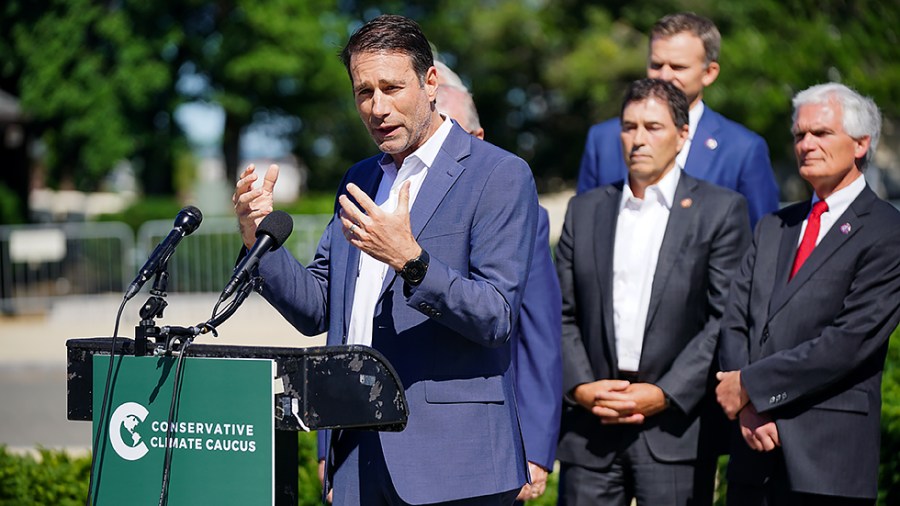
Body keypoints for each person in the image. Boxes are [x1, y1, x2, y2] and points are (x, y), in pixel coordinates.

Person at [233, 14, 538, 505]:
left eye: (392, 88)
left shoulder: (498, 174)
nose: (377, 107)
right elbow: (318, 308)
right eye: (363, 92)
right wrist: (257, 241)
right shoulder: (360, 178)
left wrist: (412, 261)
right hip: (357, 454)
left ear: (431, 81)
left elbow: (496, 316)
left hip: (456, 465)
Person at [555, 78, 750, 505]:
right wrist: (583, 387)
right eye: (629, 127)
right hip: (591, 429)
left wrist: (666, 392)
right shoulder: (584, 210)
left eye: (653, 127)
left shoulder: (720, 210)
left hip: (675, 430)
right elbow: (562, 312)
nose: (638, 139)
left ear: (683, 135)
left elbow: (725, 318)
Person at [716, 83, 900, 505]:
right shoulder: (772, 227)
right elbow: (735, 319)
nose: (806, 144)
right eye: (800, 135)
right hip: (753, 452)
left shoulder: (887, 232)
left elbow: (848, 341)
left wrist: (752, 387)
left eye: (821, 133)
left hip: (828, 460)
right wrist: (747, 405)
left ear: (861, 144)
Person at [434, 60, 563, 502]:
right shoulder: (374, 199)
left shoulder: (519, 209)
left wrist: (536, 448)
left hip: (484, 444)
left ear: (476, 139)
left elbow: (538, 333)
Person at [576, 12, 778, 227]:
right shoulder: (604, 140)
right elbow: (583, 230)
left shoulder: (742, 149)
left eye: (678, 67)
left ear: (709, 72)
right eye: (656, 65)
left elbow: (762, 241)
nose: (664, 76)